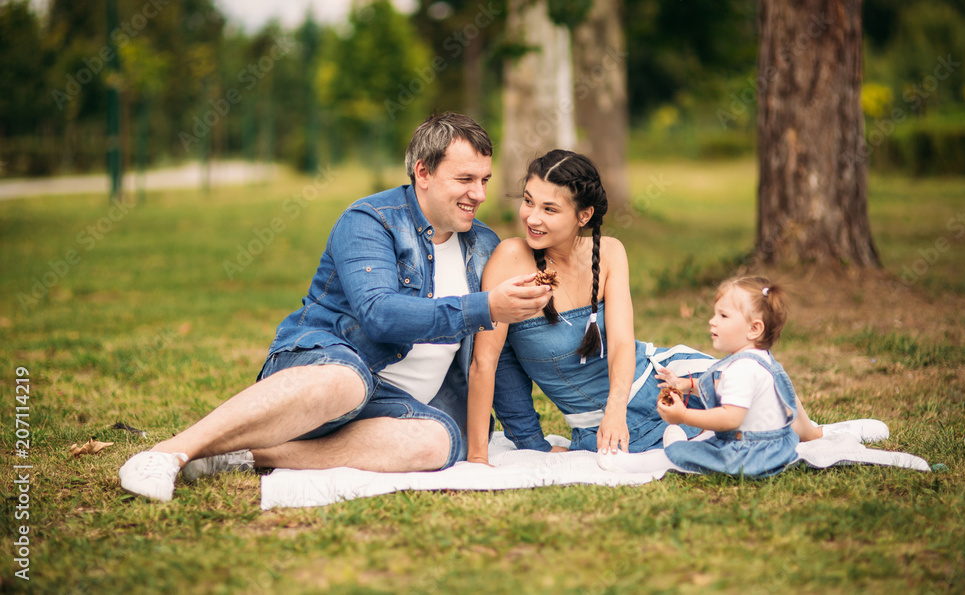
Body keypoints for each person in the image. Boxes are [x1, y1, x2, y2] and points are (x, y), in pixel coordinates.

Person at [119, 112, 553, 501]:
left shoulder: (484, 246)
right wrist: (484, 306)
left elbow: (495, 355)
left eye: (484, 181)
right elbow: (380, 314)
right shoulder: (370, 220)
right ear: (423, 172)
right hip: (326, 373)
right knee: (348, 383)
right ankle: (168, 452)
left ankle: (244, 455)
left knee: (439, 442)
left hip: (394, 410)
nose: (478, 194)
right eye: (464, 180)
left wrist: (532, 443)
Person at [466, 149, 867, 466]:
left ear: (583, 215)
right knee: (736, 435)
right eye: (528, 201)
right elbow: (489, 362)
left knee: (749, 386)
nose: (532, 218)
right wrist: (484, 457)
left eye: (549, 209)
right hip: (598, 425)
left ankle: (813, 432)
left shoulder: (608, 253)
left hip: (661, 380)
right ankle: (802, 430)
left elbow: (623, 344)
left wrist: (615, 411)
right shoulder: (509, 260)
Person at [604, 276, 802, 478]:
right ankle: (678, 441)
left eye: (723, 316)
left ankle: (632, 463)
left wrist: (683, 416)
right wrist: (686, 384)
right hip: (776, 447)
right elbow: (723, 387)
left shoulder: (741, 369)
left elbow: (730, 418)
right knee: (707, 438)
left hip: (747, 455)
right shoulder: (762, 360)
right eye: (715, 314)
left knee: (681, 454)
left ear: (754, 329)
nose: (712, 321)